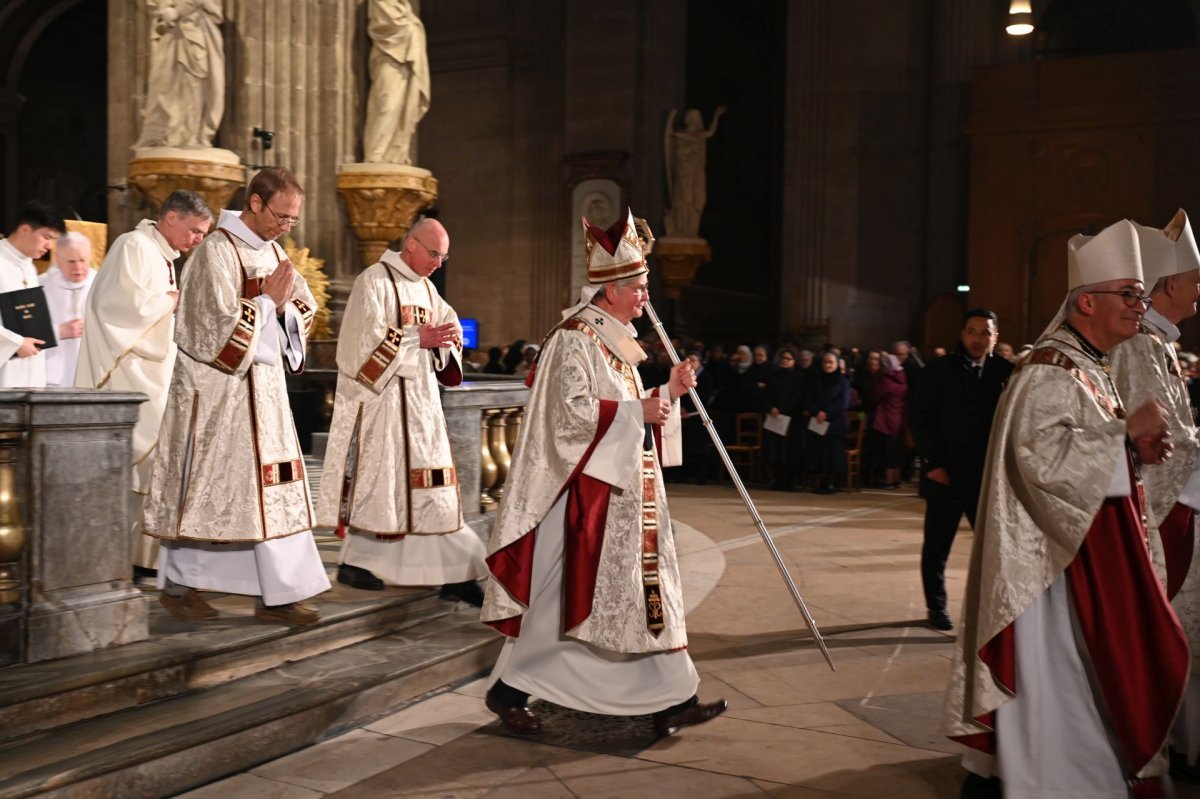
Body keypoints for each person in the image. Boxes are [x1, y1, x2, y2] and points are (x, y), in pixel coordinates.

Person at [944, 219, 1188, 798]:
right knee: (1057, 692)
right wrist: (1125, 432)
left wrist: (1130, 442)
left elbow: (1079, 447)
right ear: (1086, 302)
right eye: (1128, 294)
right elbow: (1041, 460)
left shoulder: (1089, 362)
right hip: (1046, 575)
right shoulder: (1050, 368)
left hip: (1071, 557)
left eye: (1141, 294)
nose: (1140, 305)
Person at [481, 209, 726, 738]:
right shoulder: (575, 338)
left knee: (642, 596)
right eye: (639, 287)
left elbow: (630, 406)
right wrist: (642, 410)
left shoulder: (617, 343)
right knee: (563, 602)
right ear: (611, 289)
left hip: (625, 490)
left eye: (644, 286)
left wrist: (667, 393)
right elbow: (567, 415)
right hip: (587, 494)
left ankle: (672, 700)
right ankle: (509, 691)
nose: (646, 296)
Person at [142, 167, 331, 626]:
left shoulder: (272, 250)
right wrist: (267, 302)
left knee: (274, 490)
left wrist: (284, 307)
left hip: (264, 395)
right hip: (219, 395)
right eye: (282, 216)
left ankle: (280, 593)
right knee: (213, 491)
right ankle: (180, 586)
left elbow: (304, 308)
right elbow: (208, 330)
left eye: (293, 220)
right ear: (256, 203)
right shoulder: (215, 252)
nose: (287, 226)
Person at [316, 218, 487, 605]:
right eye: (433, 254)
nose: (438, 264)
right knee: (382, 490)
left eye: (444, 257)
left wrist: (449, 340)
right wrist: (415, 338)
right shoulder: (373, 281)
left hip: (421, 407)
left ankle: (454, 572)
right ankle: (356, 563)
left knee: (433, 491)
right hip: (384, 407)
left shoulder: (427, 290)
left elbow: (447, 333)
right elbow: (357, 349)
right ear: (410, 244)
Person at [76, 190, 213, 575]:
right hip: (128, 374)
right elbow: (120, 308)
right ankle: (116, 555)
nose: (198, 239)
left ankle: (143, 556)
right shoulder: (133, 245)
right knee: (136, 463)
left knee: (154, 466)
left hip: (155, 372)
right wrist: (171, 301)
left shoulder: (163, 256)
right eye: (196, 231)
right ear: (171, 218)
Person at [1109, 209, 1200, 773]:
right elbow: (1156, 437)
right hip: (1159, 512)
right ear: (1169, 284)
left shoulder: (1159, 343)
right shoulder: (1141, 347)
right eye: (1195, 280)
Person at [911, 309, 1013, 632]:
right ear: (962, 334)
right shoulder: (938, 370)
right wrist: (933, 464)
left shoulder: (1007, 372)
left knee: (994, 549)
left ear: (996, 337)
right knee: (937, 547)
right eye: (972, 331)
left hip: (987, 478)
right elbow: (921, 419)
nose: (978, 339)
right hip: (945, 475)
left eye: (985, 333)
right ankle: (937, 607)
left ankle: (991, 607)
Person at [134, 0, 224, 149]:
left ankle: (189, 137)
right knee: (162, 85)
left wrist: (177, 11)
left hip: (194, 28)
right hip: (169, 31)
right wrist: (164, 9)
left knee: (191, 83)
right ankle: (164, 133)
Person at [0, 202, 65, 387]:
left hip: (30, 366)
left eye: (53, 239)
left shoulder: (28, 267)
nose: (49, 246)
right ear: (25, 229)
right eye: (46, 237)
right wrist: (15, 343)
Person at [362, 0, 430, 165]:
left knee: (406, 108)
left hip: (406, 62)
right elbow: (386, 27)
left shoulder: (405, 7)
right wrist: (412, 27)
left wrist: (413, 26)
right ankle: (375, 153)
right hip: (389, 58)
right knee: (386, 104)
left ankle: (397, 153)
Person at [40, 232, 95, 387]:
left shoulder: (101, 284)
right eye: (71, 261)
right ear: (57, 260)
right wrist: (59, 331)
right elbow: (26, 333)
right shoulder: (40, 286)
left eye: (82, 260)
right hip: (50, 376)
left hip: (91, 373)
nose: (78, 267)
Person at [663, 106, 725, 237]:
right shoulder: (682, 135)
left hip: (696, 171)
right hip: (684, 172)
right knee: (684, 197)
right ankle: (681, 228)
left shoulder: (700, 135)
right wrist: (671, 118)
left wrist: (717, 116)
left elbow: (711, 132)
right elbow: (669, 135)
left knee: (698, 197)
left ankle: (692, 229)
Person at [805, 351, 851, 494]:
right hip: (818, 421)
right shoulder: (815, 379)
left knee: (833, 453)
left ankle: (831, 482)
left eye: (831, 362)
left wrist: (827, 413)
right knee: (818, 452)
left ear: (837, 364)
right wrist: (817, 412)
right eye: (826, 362)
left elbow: (844, 402)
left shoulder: (843, 381)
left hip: (834, 423)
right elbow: (808, 399)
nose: (828, 365)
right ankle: (820, 482)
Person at [868, 353, 907, 489]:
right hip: (899, 418)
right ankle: (896, 479)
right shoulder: (902, 377)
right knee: (896, 451)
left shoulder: (886, 380)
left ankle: (888, 480)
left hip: (886, 420)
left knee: (887, 452)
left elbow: (874, 395)